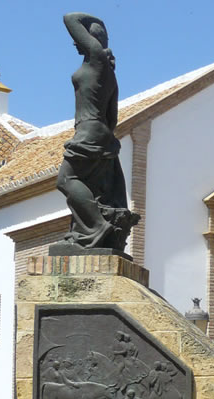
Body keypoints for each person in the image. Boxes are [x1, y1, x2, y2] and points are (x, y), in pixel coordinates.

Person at [56, 13, 138, 253]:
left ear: (92, 39)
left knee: (66, 179)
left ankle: (97, 227)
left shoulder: (97, 58)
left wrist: (96, 22)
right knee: (88, 186)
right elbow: (112, 117)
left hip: (88, 129)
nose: (75, 42)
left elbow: (69, 18)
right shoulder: (108, 71)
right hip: (101, 132)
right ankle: (87, 231)